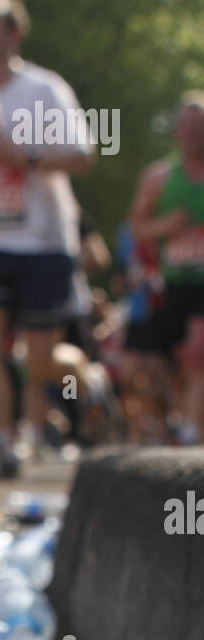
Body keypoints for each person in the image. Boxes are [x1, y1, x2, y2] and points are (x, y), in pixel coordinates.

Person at [0, 0, 95, 479]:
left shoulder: (43, 89)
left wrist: (27, 159)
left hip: (44, 241)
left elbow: (81, 156)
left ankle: (83, 376)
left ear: (14, 34)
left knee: (38, 364)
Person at [129, 93, 204, 447]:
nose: (194, 134)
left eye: (200, 127)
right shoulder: (158, 177)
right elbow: (137, 228)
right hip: (171, 281)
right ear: (177, 132)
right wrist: (167, 227)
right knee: (170, 363)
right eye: (187, 127)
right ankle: (175, 425)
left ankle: (190, 430)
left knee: (197, 351)